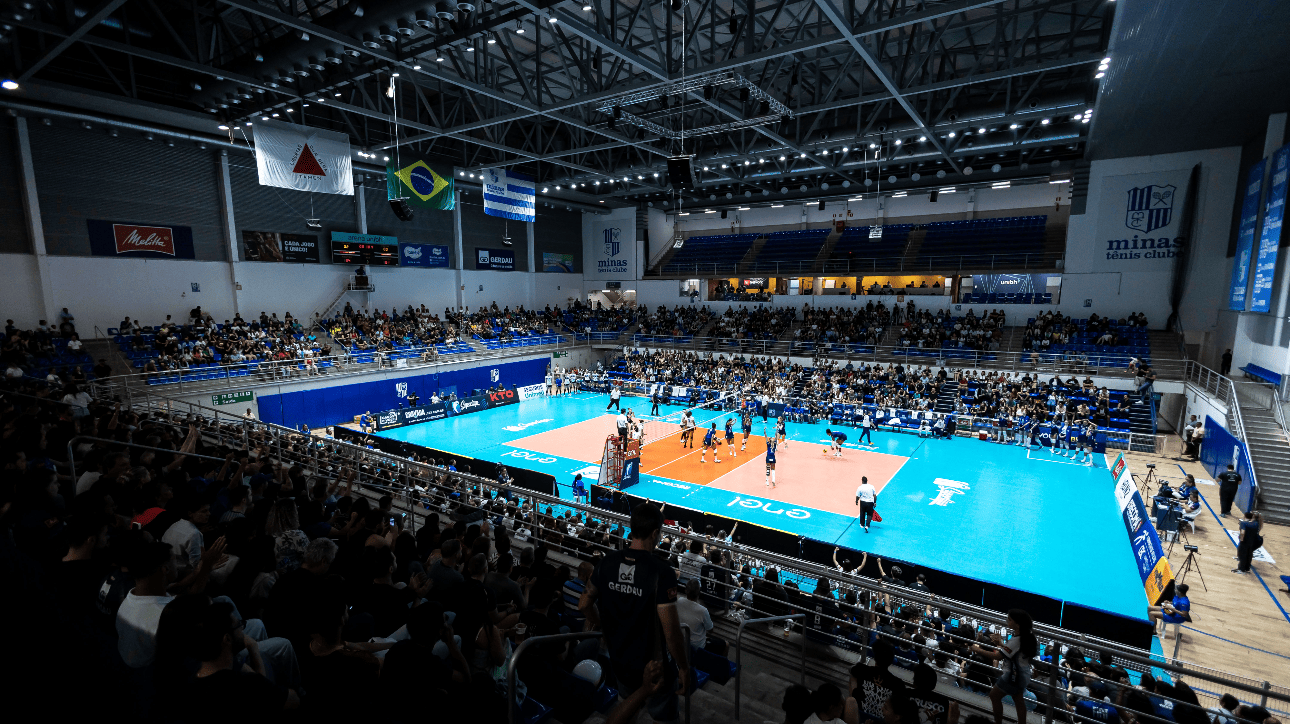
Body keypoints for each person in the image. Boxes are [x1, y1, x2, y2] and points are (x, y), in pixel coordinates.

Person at [580, 503, 690, 723]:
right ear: (655, 533)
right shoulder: (662, 572)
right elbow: (671, 632)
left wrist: (601, 624)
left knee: (628, 707)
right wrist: (684, 667)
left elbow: (584, 604)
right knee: (665, 717)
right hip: (655, 668)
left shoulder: (606, 563)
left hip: (620, 661)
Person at [970, 608, 1037, 724]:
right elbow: (1014, 652)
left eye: (1009, 620)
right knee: (1018, 700)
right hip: (1023, 675)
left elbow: (998, 656)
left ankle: (998, 722)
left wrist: (976, 649)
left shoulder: (1016, 640)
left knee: (994, 696)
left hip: (1013, 676)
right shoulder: (1028, 637)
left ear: (1018, 623)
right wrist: (1001, 644)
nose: (1007, 621)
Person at [849, 638, 907, 724]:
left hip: (859, 715)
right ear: (891, 660)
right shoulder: (898, 684)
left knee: (853, 678)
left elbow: (851, 670)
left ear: (875, 657)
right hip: (882, 721)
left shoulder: (862, 669)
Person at [675, 579, 715, 649]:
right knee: (725, 644)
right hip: (698, 647)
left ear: (686, 590)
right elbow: (710, 629)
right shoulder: (703, 610)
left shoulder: (679, 601)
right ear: (699, 593)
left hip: (682, 643)